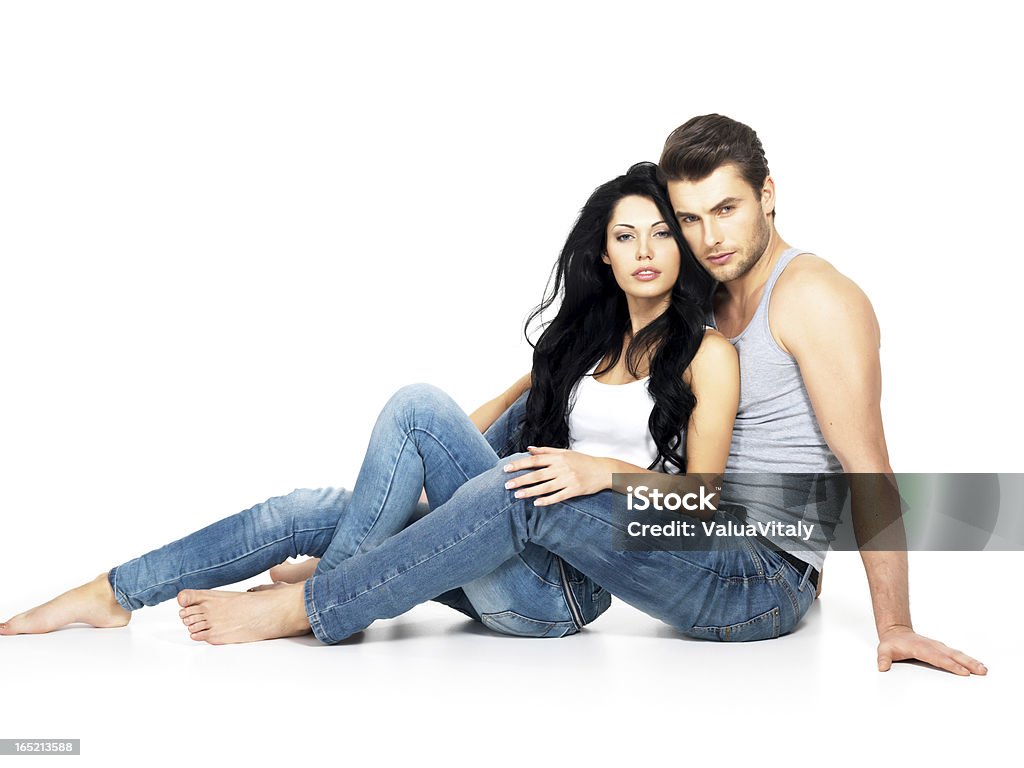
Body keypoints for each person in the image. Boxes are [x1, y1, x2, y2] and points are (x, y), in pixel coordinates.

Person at [152, 115, 985, 676]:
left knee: (536, 491)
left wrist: (895, 626)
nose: (708, 237)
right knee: (495, 459)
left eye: (726, 210)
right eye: (689, 217)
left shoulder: (814, 299)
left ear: (770, 195)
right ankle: (307, 572)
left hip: (757, 573)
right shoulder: (702, 298)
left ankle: (317, 606)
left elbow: (867, 466)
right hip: (692, 530)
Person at [0, 162, 738, 642]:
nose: (644, 249)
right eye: (625, 234)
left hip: (557, 594)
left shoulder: (704, 354)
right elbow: (464, 451)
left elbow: (702, 503)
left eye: (662, 233)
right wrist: (532, 381)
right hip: (499, 544)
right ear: (603, 255)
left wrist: (600, 472)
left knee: (416, 405)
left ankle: (319, 602)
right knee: (305, 509)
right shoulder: (578, 350)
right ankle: (113, 590)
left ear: (682, 248)